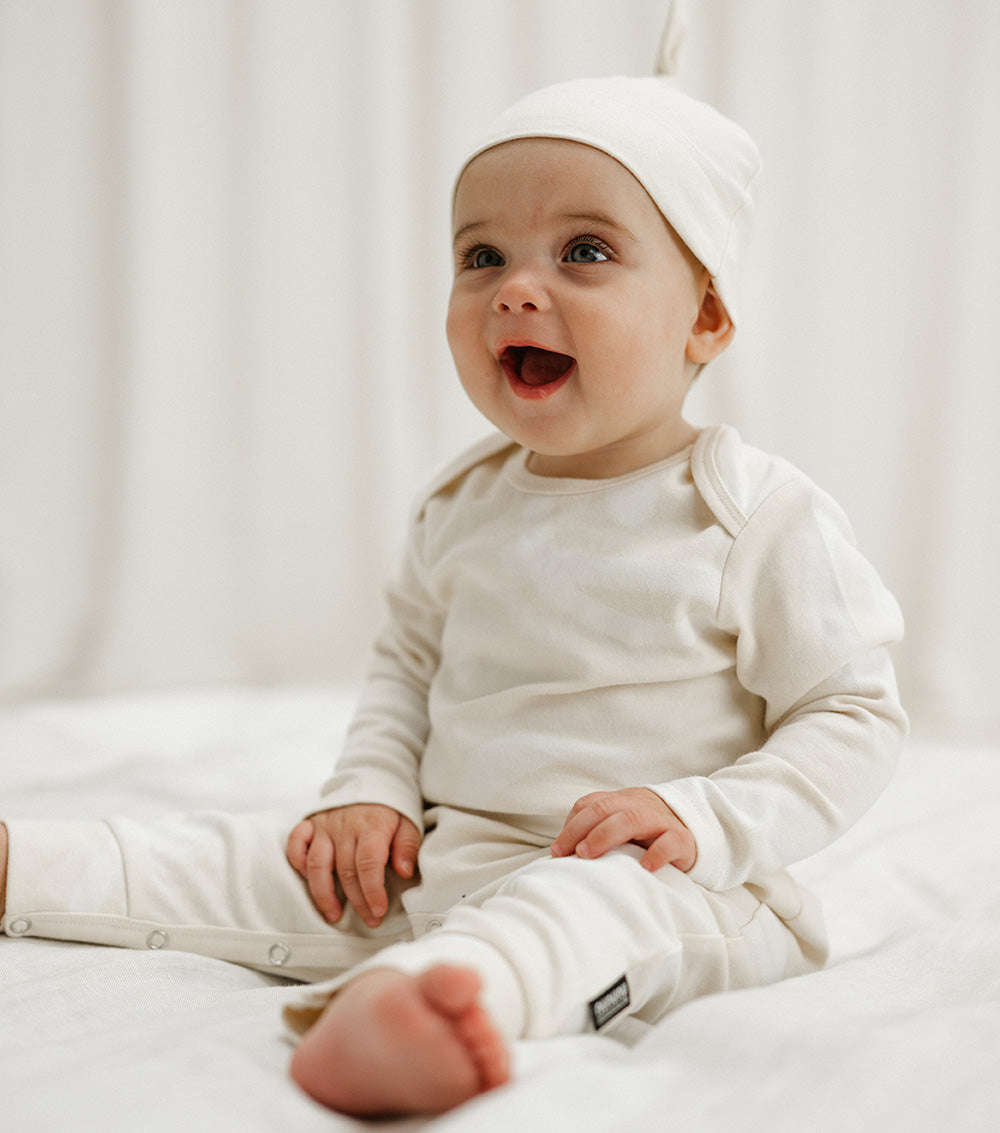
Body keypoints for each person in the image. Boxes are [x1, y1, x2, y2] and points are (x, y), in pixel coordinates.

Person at [0, 21, 907, 1120]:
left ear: (705, 317)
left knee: (573, 919)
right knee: (253, 855)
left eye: (584, 252)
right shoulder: (463, 502)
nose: (515, 289)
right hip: (446, 855)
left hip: (675, 886)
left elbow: (852, 712)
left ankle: (423, 1006)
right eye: (481, 258)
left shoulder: (754, 514)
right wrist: (369, 793)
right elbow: (404, 672)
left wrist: (704, 818)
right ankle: (22, 862)